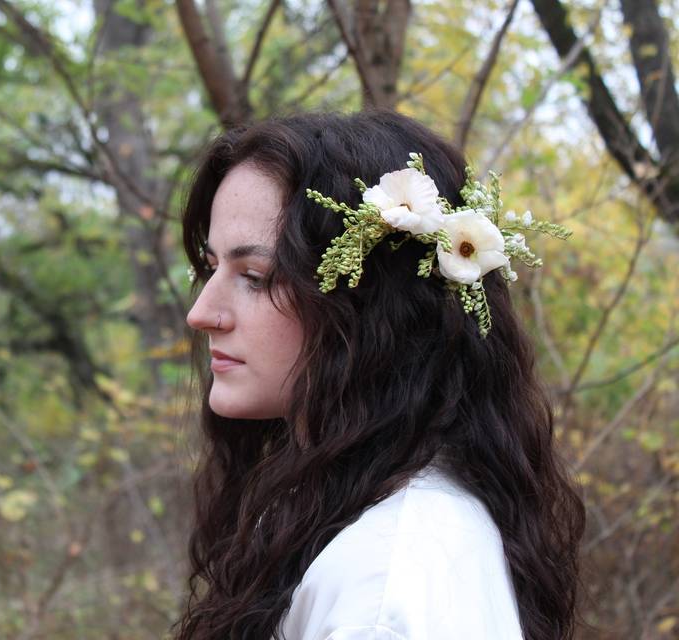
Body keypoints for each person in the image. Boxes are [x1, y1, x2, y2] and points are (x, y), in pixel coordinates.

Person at [173, 111, 585, 640]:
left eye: (255, 277)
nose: (202, 313)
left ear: (370, 307)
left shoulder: (389, 582)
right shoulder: (334, 510)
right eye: (211, 268)